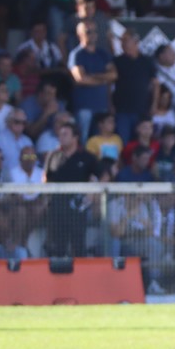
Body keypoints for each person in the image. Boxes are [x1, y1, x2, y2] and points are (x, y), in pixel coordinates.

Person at [43, 122, 98, 257]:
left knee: (78, 243)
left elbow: (103, 174)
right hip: (57, 205)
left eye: (65, 134)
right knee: (58, 245)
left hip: (78, 206)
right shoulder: (53, 155)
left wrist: (92, 193)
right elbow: (46, 178)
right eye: (60, 134)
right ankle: (58, 276)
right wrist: (45, 197)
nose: (61, 137)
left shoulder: (87, 156)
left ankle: (81, 275)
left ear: (75, 137)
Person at [68, 19, 116, 141]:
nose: (92, 34)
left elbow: (114, 75)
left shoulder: (102, 53)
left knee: (101, 139)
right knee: (83, 139)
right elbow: (80, 79)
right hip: (84, 106)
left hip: (102, 105)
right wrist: (103, 79)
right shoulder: (76, 54)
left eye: (95, 31)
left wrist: (93, 76)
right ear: (79, 34)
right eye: (88, 31)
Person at [113, 31, 157, 143]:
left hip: (142, 109)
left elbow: (155, 84)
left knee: (141, 141)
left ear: (136, 42)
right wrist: (110, 104)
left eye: (126, 41)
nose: (123, 44)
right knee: (124, 140)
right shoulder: (117, 61)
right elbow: (110, 85)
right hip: (122, 109)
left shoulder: (147, 61)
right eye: (121, 41)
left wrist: (154, 104)